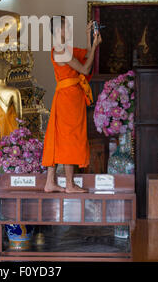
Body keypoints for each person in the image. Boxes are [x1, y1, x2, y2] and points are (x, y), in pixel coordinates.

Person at [42, 16, 102, 193]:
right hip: (68, 98)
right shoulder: (61, 51)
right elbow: (85, 69)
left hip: (70, 96)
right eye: (66, 27)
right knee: (70, 137)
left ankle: (50, 182)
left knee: (60, 136)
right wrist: (95, 47)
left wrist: (90, 39)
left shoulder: (65, 49)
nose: (69, 30)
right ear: (58, 30)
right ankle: (69, 184)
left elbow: (85, 56)